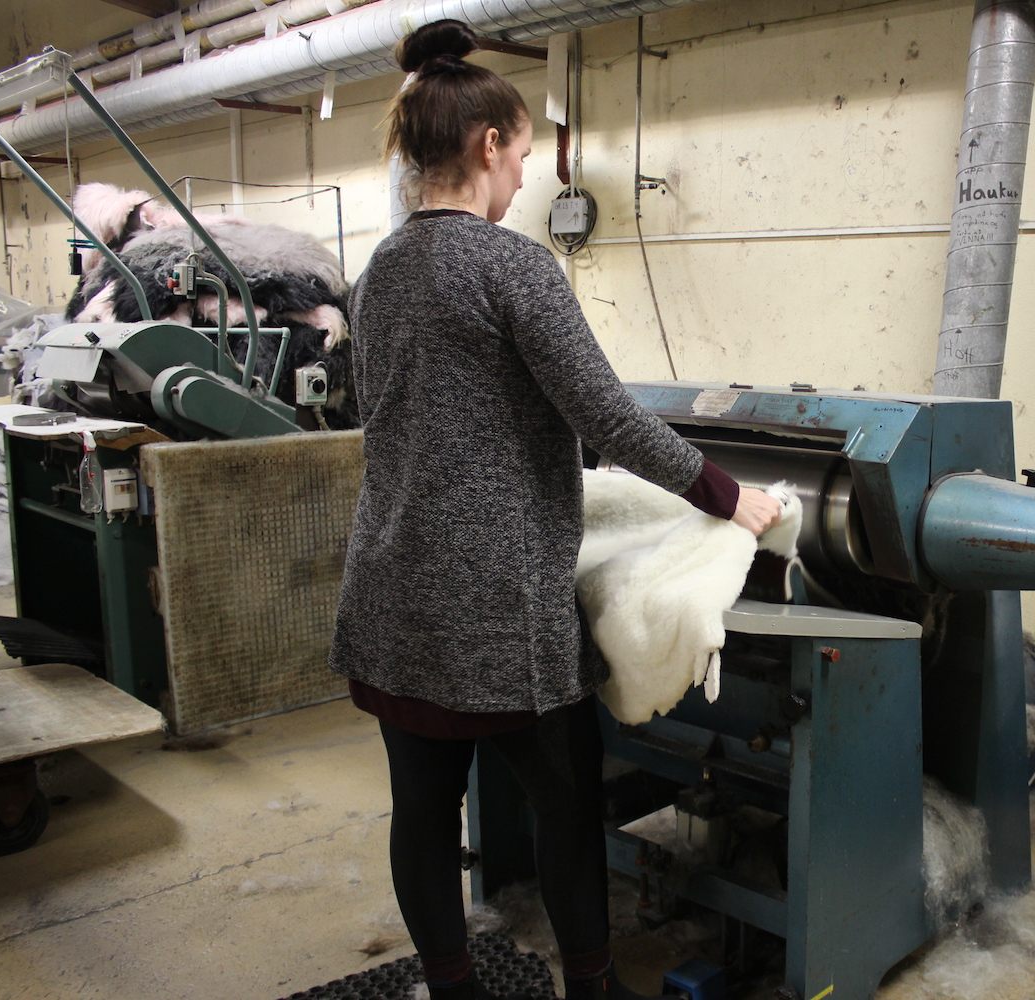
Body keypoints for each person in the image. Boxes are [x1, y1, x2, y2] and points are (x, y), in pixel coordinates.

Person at [327, 19, 783, 1000]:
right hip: (497, 611)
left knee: (422, 811)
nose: (524, 177)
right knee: (567, 807)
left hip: (390, 594)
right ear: (488, 145)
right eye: (525, 155)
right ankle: (593, 987)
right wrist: (729, 495)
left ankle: (453, 988)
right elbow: (611, 420)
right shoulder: (513, 266)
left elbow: (418, 415)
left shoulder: (377, 274)